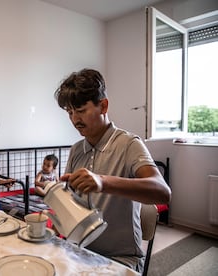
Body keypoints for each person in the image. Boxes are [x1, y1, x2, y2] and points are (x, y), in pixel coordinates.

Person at [54, 68, 171, 272]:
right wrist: (56, 200)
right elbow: (71, 202)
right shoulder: (76, 150)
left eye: (80, 111)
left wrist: (102, 182)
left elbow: (162, 192)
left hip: (121, 258)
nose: (74, 120)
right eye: (70, 112)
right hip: (79, 251)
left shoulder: (128, 144)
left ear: (103, 106)